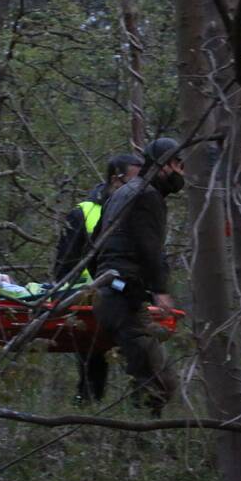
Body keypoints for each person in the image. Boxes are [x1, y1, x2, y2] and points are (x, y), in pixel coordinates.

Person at [91, 137, 185, 415]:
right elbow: (149, 249)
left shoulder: (123, 193)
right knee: (160, 384)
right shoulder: (147, 196)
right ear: (163, 164)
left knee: (144, 380)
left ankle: (133, 439)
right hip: (124, 299)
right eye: (179, 164)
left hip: (110, 294)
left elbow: (96, 244)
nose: (183, 172)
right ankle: (138, 444)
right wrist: (160, 289)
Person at [53, 154, 143, 404]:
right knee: (93, 366)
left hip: (128, 297)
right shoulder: (84, 213)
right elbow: (63, 267)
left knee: (142, 359)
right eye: (134, 181)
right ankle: (88, 411)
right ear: (116, 180)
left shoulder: (139, 212)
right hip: (88, 300)